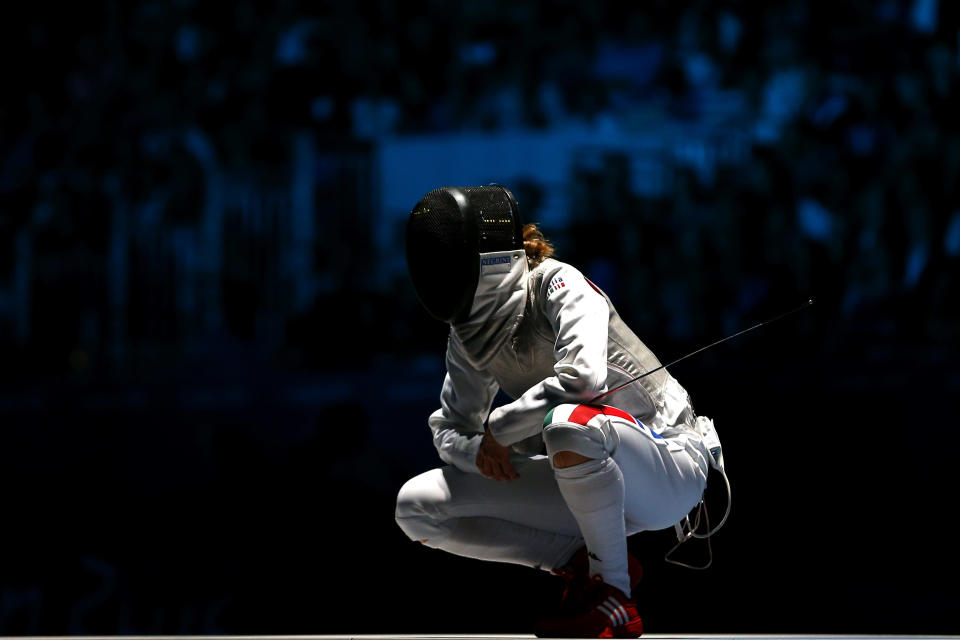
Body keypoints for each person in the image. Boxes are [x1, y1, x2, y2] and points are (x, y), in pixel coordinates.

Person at [395, 185, 726, 638]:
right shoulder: (467, 334)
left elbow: (585, 381)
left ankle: (614, 595)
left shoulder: (557, 284)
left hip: (666, 466)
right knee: (417, 507)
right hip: (581, 479)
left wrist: (500, 429)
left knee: (569, 424)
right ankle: (573, 560)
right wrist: (490, 457)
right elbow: (449, 429)